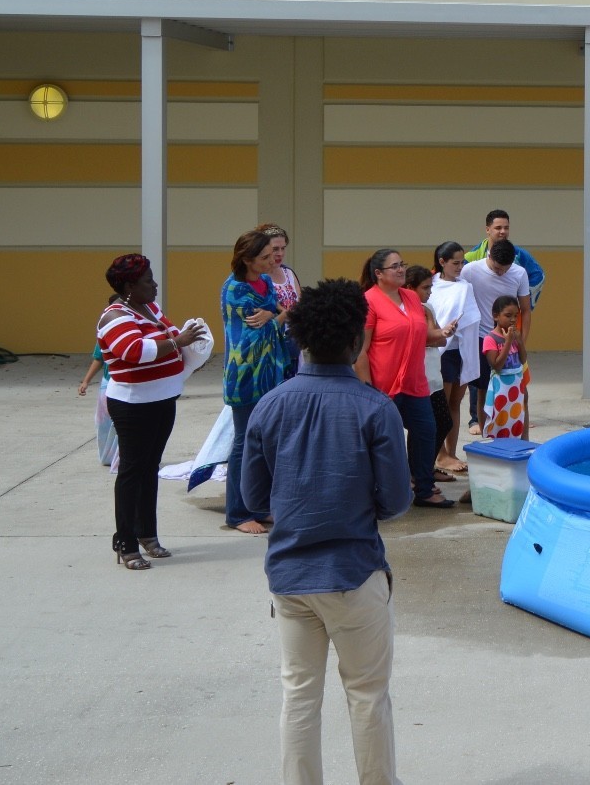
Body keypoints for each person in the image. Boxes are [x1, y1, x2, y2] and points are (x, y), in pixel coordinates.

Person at [241, 277, 412, 785]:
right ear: (357, 340)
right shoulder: (375, 408)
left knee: (298, 695)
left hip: (291, 578)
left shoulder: (270, 405)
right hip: (354, 574)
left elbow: (254, 500)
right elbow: (396, 501)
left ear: (300, 338)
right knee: (367, 695)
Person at [96, 253, 209, 570]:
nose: (155, 285)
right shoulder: (114, 316)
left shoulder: (150, 308)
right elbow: (134, 351)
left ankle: (147, 533)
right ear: (129, 286)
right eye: (148, 280)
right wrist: (178, 341)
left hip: (163, 399)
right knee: (132, 472)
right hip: (133, 405)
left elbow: (171, 337)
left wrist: (190, 352)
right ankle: (126, 542)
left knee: (149, 468)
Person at [354, 249, 456, 510]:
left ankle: (423, 489)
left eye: (402, 264)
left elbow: (420, 335)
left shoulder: (411, 297)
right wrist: (367, 389)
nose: (401, 270)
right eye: (395, 266)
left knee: (426, 431)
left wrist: (441, 333)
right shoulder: (369, 302)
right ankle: (379, 492)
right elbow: (361, 351)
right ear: (379, 273)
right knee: (385, 441)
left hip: (415, 382)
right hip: (382, 387)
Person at [222, 227, 292, 534]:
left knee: (267, 442)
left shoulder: (264, 281)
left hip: (270, 372)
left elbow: (276, 311)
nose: (271, 260)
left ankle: (259, 505)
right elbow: (254, 335)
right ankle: (238, 513)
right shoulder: (236, 289)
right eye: (264, 257)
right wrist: (276, 317)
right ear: (247, 259)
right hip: (245, 376)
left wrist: (273, 314)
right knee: (244, 443)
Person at [459, 239, 531, 435]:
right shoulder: (471, 270)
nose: (501, 273)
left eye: (505, 269)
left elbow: (525, 309)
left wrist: (521, 340)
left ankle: (523, 438)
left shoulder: (519, 273)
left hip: (511, 336)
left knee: (521, 391)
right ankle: (485, 433)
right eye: (498, 268)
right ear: (489, 256)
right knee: (483, 388)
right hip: (482, 337)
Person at [424, 241, 480, 473]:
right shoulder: (432, 286)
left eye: (462, 263)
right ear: (442, 262)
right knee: (441, 406)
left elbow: (471, 317)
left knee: (455, 403)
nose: (460, 267)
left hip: (462, 350)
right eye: (455, 263)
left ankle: (451, 452)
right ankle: (439, 455)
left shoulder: (465, 286)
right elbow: (432, 314)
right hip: (442, 352)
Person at [400, 266, 453, 479]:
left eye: (431, 287)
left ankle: (424, 467)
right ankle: (417, 472)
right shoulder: (406, 310)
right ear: (409, 288)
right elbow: (428, 337)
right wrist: (433, 329)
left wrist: (434, 328)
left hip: (433, 375)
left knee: (443, 422)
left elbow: (439, 340)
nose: (430, 292)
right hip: (418, 378)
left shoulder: (427, 307)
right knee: (422, 426)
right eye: (425, 288)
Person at [464, 209, 546, 307]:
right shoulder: (471, 257)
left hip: (510, 312)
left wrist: (519, 299)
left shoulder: (520, 255)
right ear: (487, 229)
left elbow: (539, 275)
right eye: (498, 228)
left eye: (506, 228)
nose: (503, 231)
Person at [257, 222, 303, 378]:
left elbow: (300, 303)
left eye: (283, 248)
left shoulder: (288, 272)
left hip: (293, 340)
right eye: (275, 249)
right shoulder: (259, 276)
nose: (280, 254)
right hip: (272, 341)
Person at [480, 296, 529, 438]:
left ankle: (518, 442)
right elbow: (497, 366)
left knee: (515, 417)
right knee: (500, 419)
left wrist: (519, 342)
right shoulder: (490, 339)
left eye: (516, 316)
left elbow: (523, 359)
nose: (513, 320)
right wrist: (508, 342)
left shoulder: (514, 335)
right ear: (496, 316)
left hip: (516, 385)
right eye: (508, 316)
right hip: (501, 387)